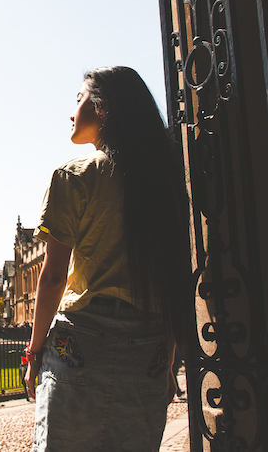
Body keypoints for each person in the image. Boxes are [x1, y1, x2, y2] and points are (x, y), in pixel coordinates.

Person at [24, 66, 191, 452]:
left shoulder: (73, 176)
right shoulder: (164, 184)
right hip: (148, 343)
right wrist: (165, 361)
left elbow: (51, 279)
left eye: (79, 100)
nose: (72, 112)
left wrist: (33, 353)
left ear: (104, 109)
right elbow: (170, 279)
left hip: (81, 337)